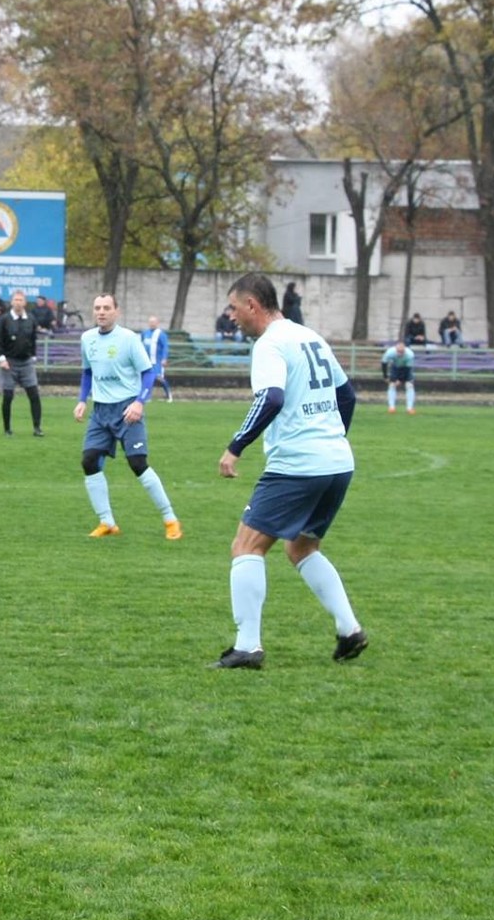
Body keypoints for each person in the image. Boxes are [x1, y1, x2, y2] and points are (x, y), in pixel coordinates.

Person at [213, 273, 366, 671]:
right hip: (337, 462)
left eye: (234, 308)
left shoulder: (269, 344)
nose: (232, 317)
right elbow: (347, 395)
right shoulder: (309, 336)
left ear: (252, 305)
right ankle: (349, 629)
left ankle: (247, 648)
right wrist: (330, 437)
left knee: (246, 546)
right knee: (301, 548)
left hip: (298, 464)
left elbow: (271, 398)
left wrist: (236, 446)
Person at [75, 293, 181, 540]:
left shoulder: (129, 339)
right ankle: (107, 522)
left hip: (127, 409)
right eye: (97, 308)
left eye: (106, 308)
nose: (101, 312)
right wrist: (82, 400)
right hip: (100, 411)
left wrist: (139, 402)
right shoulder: (87, 338)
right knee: (89, 461)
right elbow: (87, 372)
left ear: (117, 311)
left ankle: (170, 519)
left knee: (138, 464)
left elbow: (148, 373)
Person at [0, 289, 44, 436]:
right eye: (16, 300)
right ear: (11, 302)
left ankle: (37, 428)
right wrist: (1, 359)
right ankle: (7, 429)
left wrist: (33, 356)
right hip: (9, 362)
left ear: (25, 302)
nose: (18, 303)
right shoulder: (3, 320)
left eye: (20, 300)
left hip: (26, 362)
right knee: (8, 396)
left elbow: (33, 339)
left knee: (34, 395)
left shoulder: (31, 319)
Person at [381, 338, 415, 414]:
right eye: (398, 351)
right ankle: (391, 408)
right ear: (395, 349)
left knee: (409, 385)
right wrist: (385, 376)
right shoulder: (389, 352)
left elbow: (407, 370)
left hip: (406, 368)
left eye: (401, 352)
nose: (400, 353)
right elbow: (384, 364)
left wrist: (400, 380)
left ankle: (409, 408)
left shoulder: (410, 355)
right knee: (392, 385)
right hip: (395, 366)